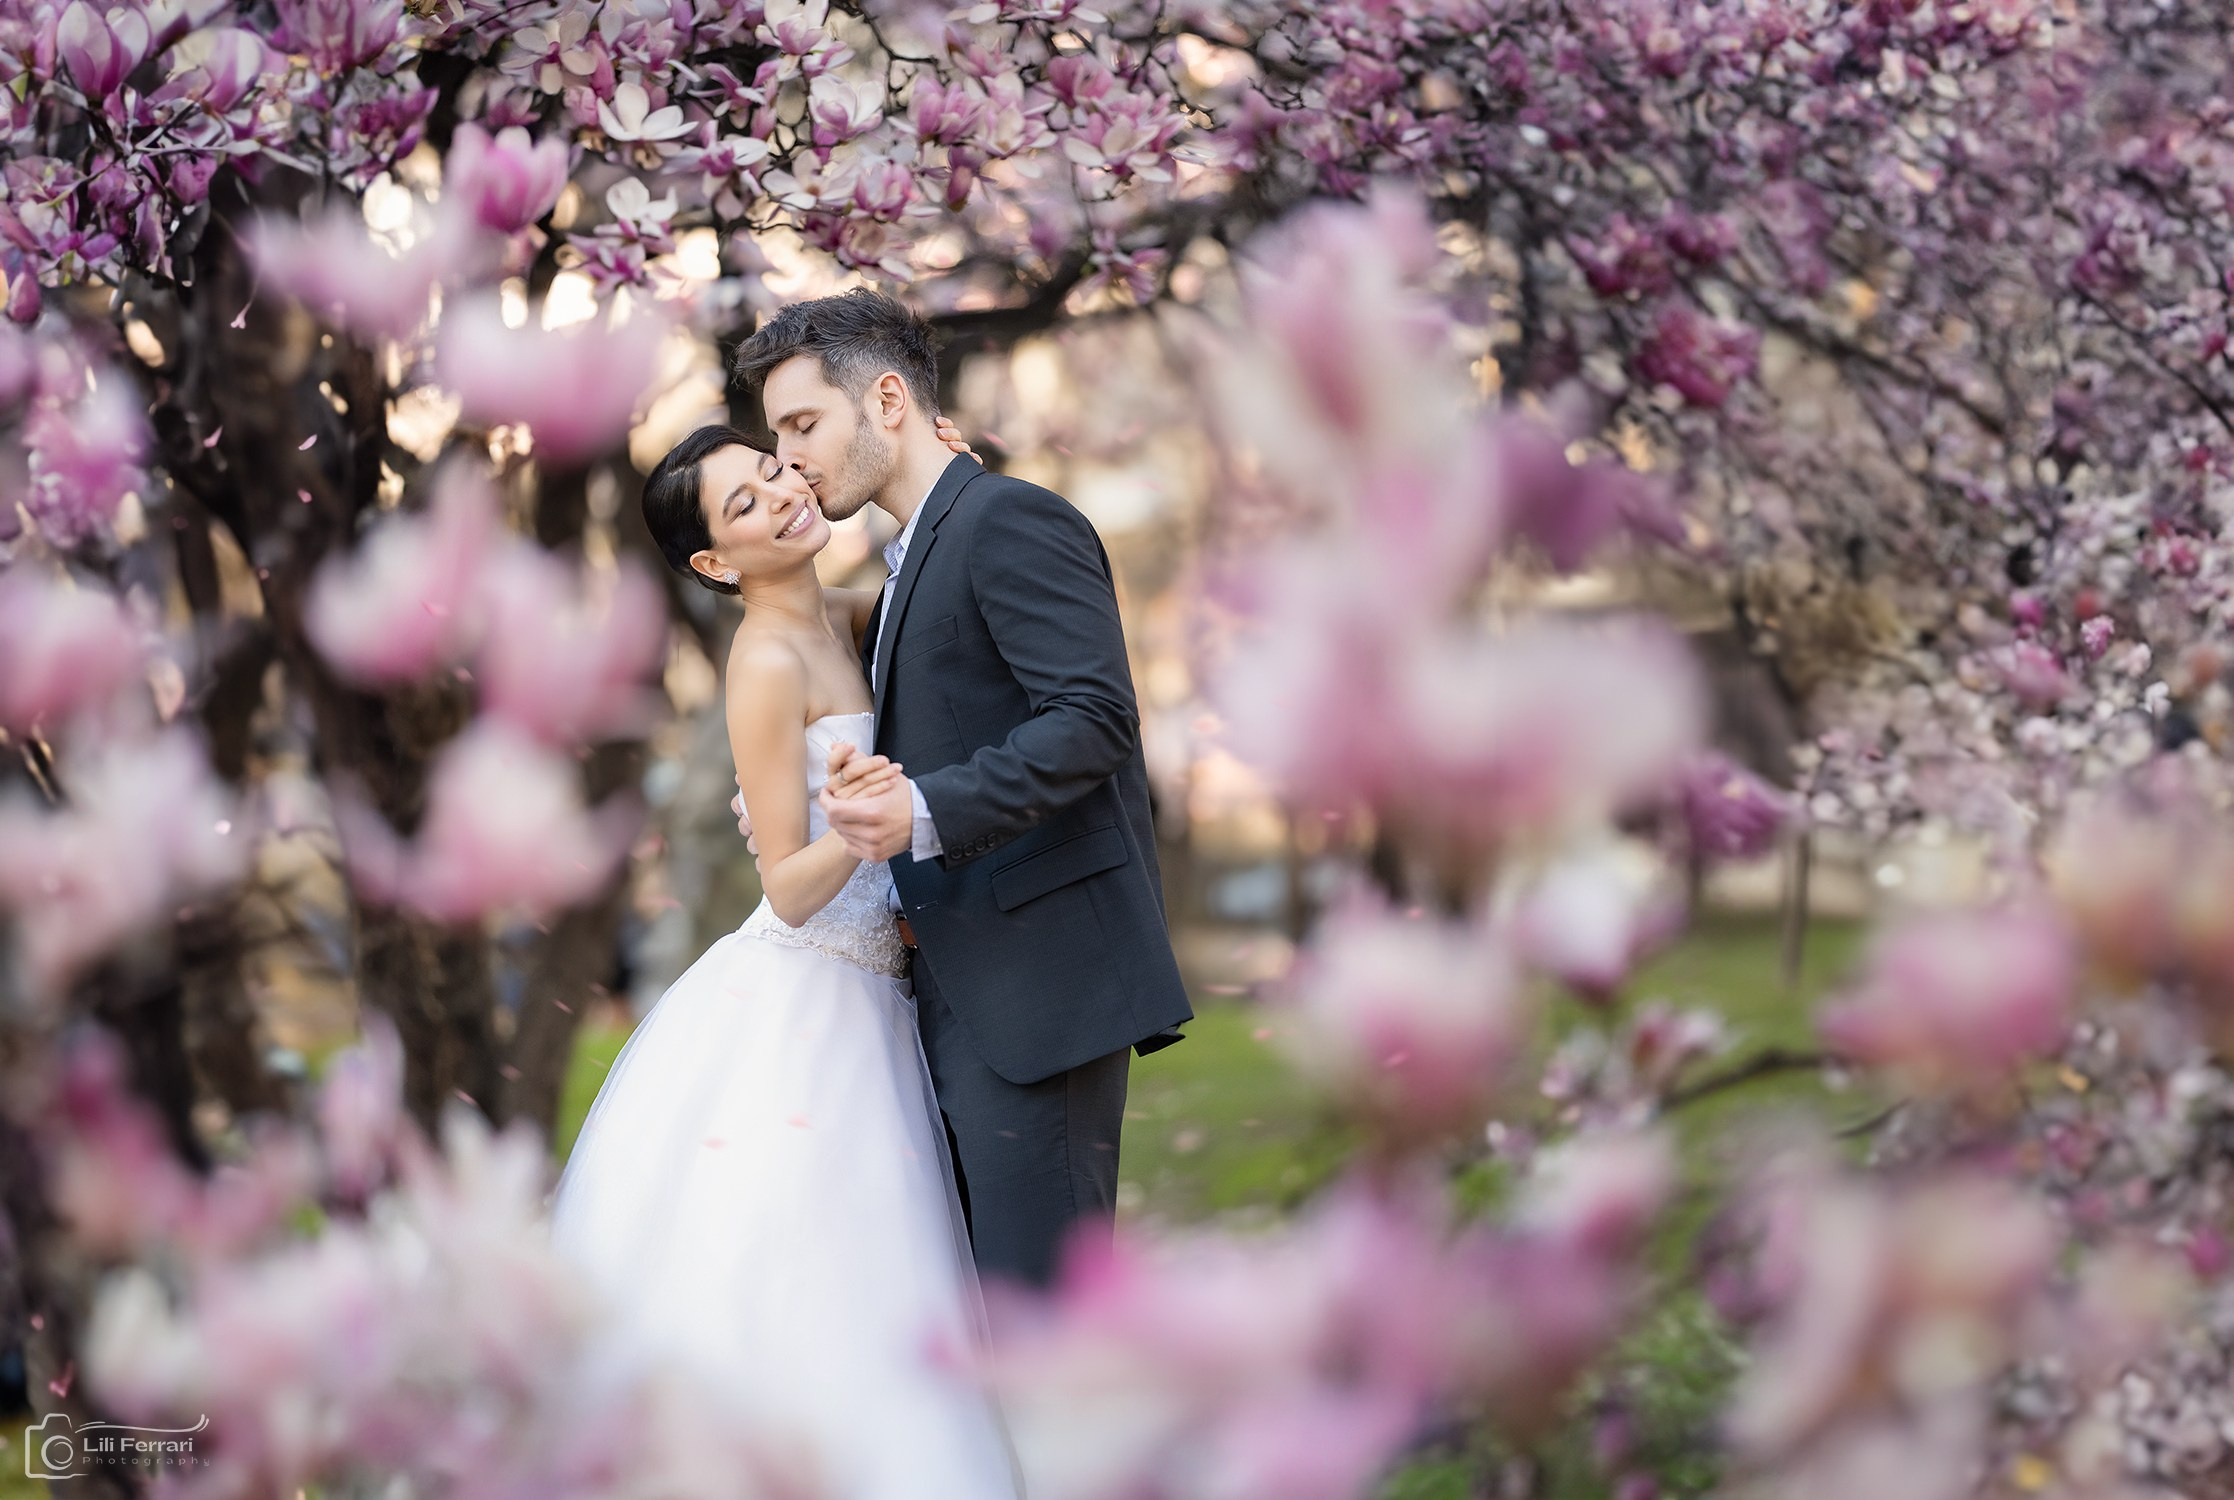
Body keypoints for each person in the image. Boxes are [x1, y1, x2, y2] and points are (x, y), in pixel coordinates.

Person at [547, 417, 1026, 1500]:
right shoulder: (762, 658)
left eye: (771, 471)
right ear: (715, 561)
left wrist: (956, 478)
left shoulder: (834, 614)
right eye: (748, 505)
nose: (783, 496)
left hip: (880, 987)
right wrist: (869, 820)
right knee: (812, 1271)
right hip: (815, 992)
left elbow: (915, 596)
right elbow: (788, 887)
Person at [731, 289, 1194, 1293]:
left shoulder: (1007, 520)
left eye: (803, 424)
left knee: (1044, 1332)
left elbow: (1093, 720)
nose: (792, 458)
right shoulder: (908, 559)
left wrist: (922, 812)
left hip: (1039, 993)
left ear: (887, 401)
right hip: (950, 990)